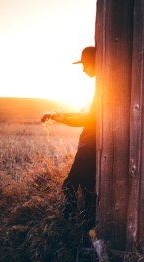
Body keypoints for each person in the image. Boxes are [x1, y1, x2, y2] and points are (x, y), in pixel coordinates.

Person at [41, 46, 96, 226]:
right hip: (90, 145)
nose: (83, 69)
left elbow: (89, 119)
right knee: (88, 189)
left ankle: (69, 222)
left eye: (85, 64)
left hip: (89, 147)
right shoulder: (101, 87)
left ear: (94, 63)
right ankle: (88, 225)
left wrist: (63, 118)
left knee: (69, 185)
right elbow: (84, 115)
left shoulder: (103, 89)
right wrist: (57, 116)